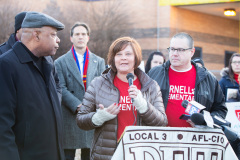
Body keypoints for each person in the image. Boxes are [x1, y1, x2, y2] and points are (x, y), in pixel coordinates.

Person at [76, 36, 168, 160]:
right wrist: (98, 117)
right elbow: (81, 120)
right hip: (105, 154)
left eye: (128, 54)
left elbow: (162, 122)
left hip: (139, 153)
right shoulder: (98, 83)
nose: (123, 58)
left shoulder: (150, 86)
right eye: (119, 54)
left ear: (136, 58)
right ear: (113, 59)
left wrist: (144, 106)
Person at [0, 12, 65, 160]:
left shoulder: (47, 62)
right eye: (53, 35)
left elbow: (56, 89)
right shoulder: (6, 65)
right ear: (36, 35)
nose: (58, 40)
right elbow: (2, 128)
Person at [148, 32, 227, 127]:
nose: (175, 54)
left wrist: (204, 122)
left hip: (195, 139)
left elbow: (220, 110)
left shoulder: (208, 79)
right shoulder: (154, 73)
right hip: (160, 137)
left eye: (180, 50)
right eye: (172, 49)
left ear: (192, 52)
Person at [55, 22, 105, 160]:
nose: (80, 37)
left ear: (88, 37)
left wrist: (89, 107)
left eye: (83, 34)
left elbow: (102, 87)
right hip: (70, 114)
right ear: (71, 38)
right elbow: (61, 88)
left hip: (91, 114)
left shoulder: (99, 61)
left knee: (89, 154)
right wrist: (78, 105)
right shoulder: (60, 62)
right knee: (68, 155)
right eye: (77, 34)